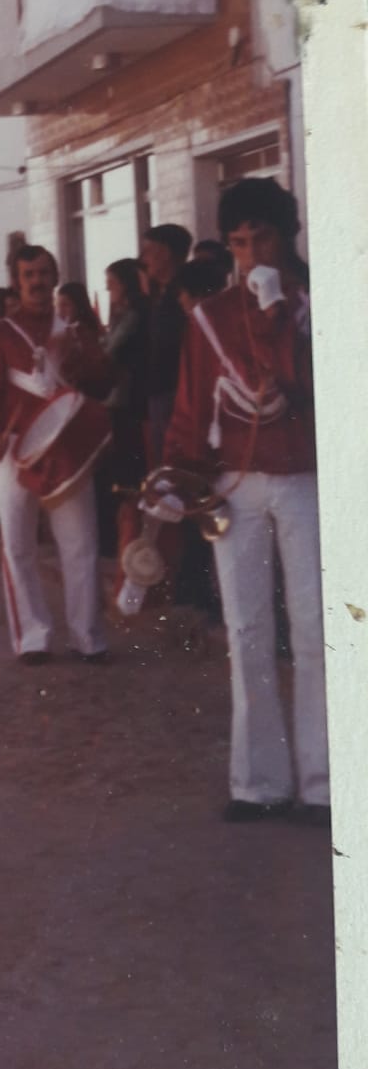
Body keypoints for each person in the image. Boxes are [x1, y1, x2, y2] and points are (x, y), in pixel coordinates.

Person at [162, 178, 327, 826]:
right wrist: (177, 477)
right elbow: (189, 405)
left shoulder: (317, 302)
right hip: (235, 481)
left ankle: (324, 783)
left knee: (314, 628)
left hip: (306, 476)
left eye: (261, 238)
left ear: (285, 237)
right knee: (247, 628)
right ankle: (258, 781)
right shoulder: (209, 317)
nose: (251, 253)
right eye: (238, 242)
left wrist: (278, 315)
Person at [0, 243, 111, 664]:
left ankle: (87, 638)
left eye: (44, 273)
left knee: (81, 543)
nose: (37, 282)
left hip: (67, 448)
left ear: (55, 277)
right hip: (15, 451)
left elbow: (104, 381)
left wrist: (86, 359)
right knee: (18, 546)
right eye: (29, 275)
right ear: (16, 282)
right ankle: (33, 637)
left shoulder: (74, 331)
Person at [99, 258, 150, 557]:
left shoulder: (132, 315)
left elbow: (109, 349)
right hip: (120, 399)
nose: (109, 290)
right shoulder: (122, 314)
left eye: (113, 284)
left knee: (127, 472)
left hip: (127, 400)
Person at [140, 222, 193, 461]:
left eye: (148, 251)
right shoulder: (160, 294)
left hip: (175, 392)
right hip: (160, 390)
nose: (143, 259)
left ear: (166, 253)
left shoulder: (185, 294)